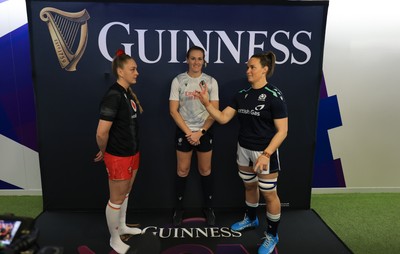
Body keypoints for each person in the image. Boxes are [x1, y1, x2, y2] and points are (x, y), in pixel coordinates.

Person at [195, 51, 288, 254]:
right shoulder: (241, 94)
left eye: (252, 67)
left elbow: (283, 131)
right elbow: (222, 118)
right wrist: (206, 103)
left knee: (269, 194)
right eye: (247, 67)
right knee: (249, 186)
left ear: (264, 69)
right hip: (243, 149)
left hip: (264, 152)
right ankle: (251, 219)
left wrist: (266, 153)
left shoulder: (274, 96)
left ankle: (272, 235)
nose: (248, 71)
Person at [94, 49, 144, 254]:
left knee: (126, 193)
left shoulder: (126, 94)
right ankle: (114, 238)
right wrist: (104, 152)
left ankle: (122, 226)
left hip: (132, 153)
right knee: (116, 199)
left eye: (136, 69)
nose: (137, 72)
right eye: (133, 69)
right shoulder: (113, 95)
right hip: (118, 156)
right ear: (120, 72)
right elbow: (101, 133)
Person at [169, 45, 219, 226]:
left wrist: (200, 132)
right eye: (193, 58)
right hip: (185, 132)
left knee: (205, 170)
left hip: (204, 131)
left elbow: (215, 111)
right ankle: (179, 208)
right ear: (187, 60)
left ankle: (209, 207)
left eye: (200, 58)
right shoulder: (178, 80)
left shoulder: (211, 81)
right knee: (182, 170)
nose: (196, 62)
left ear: (204, 61)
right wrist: (190, 133)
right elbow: (173, 111)